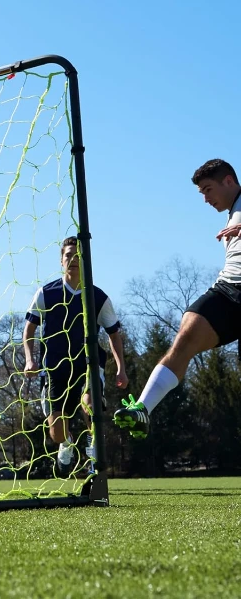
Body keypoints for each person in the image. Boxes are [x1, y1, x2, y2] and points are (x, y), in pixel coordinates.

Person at [114, 159, 241, 439]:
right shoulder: (232, 213)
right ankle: (142, 410)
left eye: (209, 189)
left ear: (229, 181)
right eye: (202, 193)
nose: (206, 199)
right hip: (228, 292)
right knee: (185, 334)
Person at [23, 236, 128, 475]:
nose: (73, 259)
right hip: (55, 370)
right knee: (56, 432)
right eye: (69, 255)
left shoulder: (98, 297)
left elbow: (114, 334)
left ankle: (95, 459)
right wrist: (30, 359)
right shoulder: (46, 293)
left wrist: (121, 367)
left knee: (91, 406)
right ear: (62, 261)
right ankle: (66, 442)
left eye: (78, 255)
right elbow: (29, 329)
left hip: (89, 366)